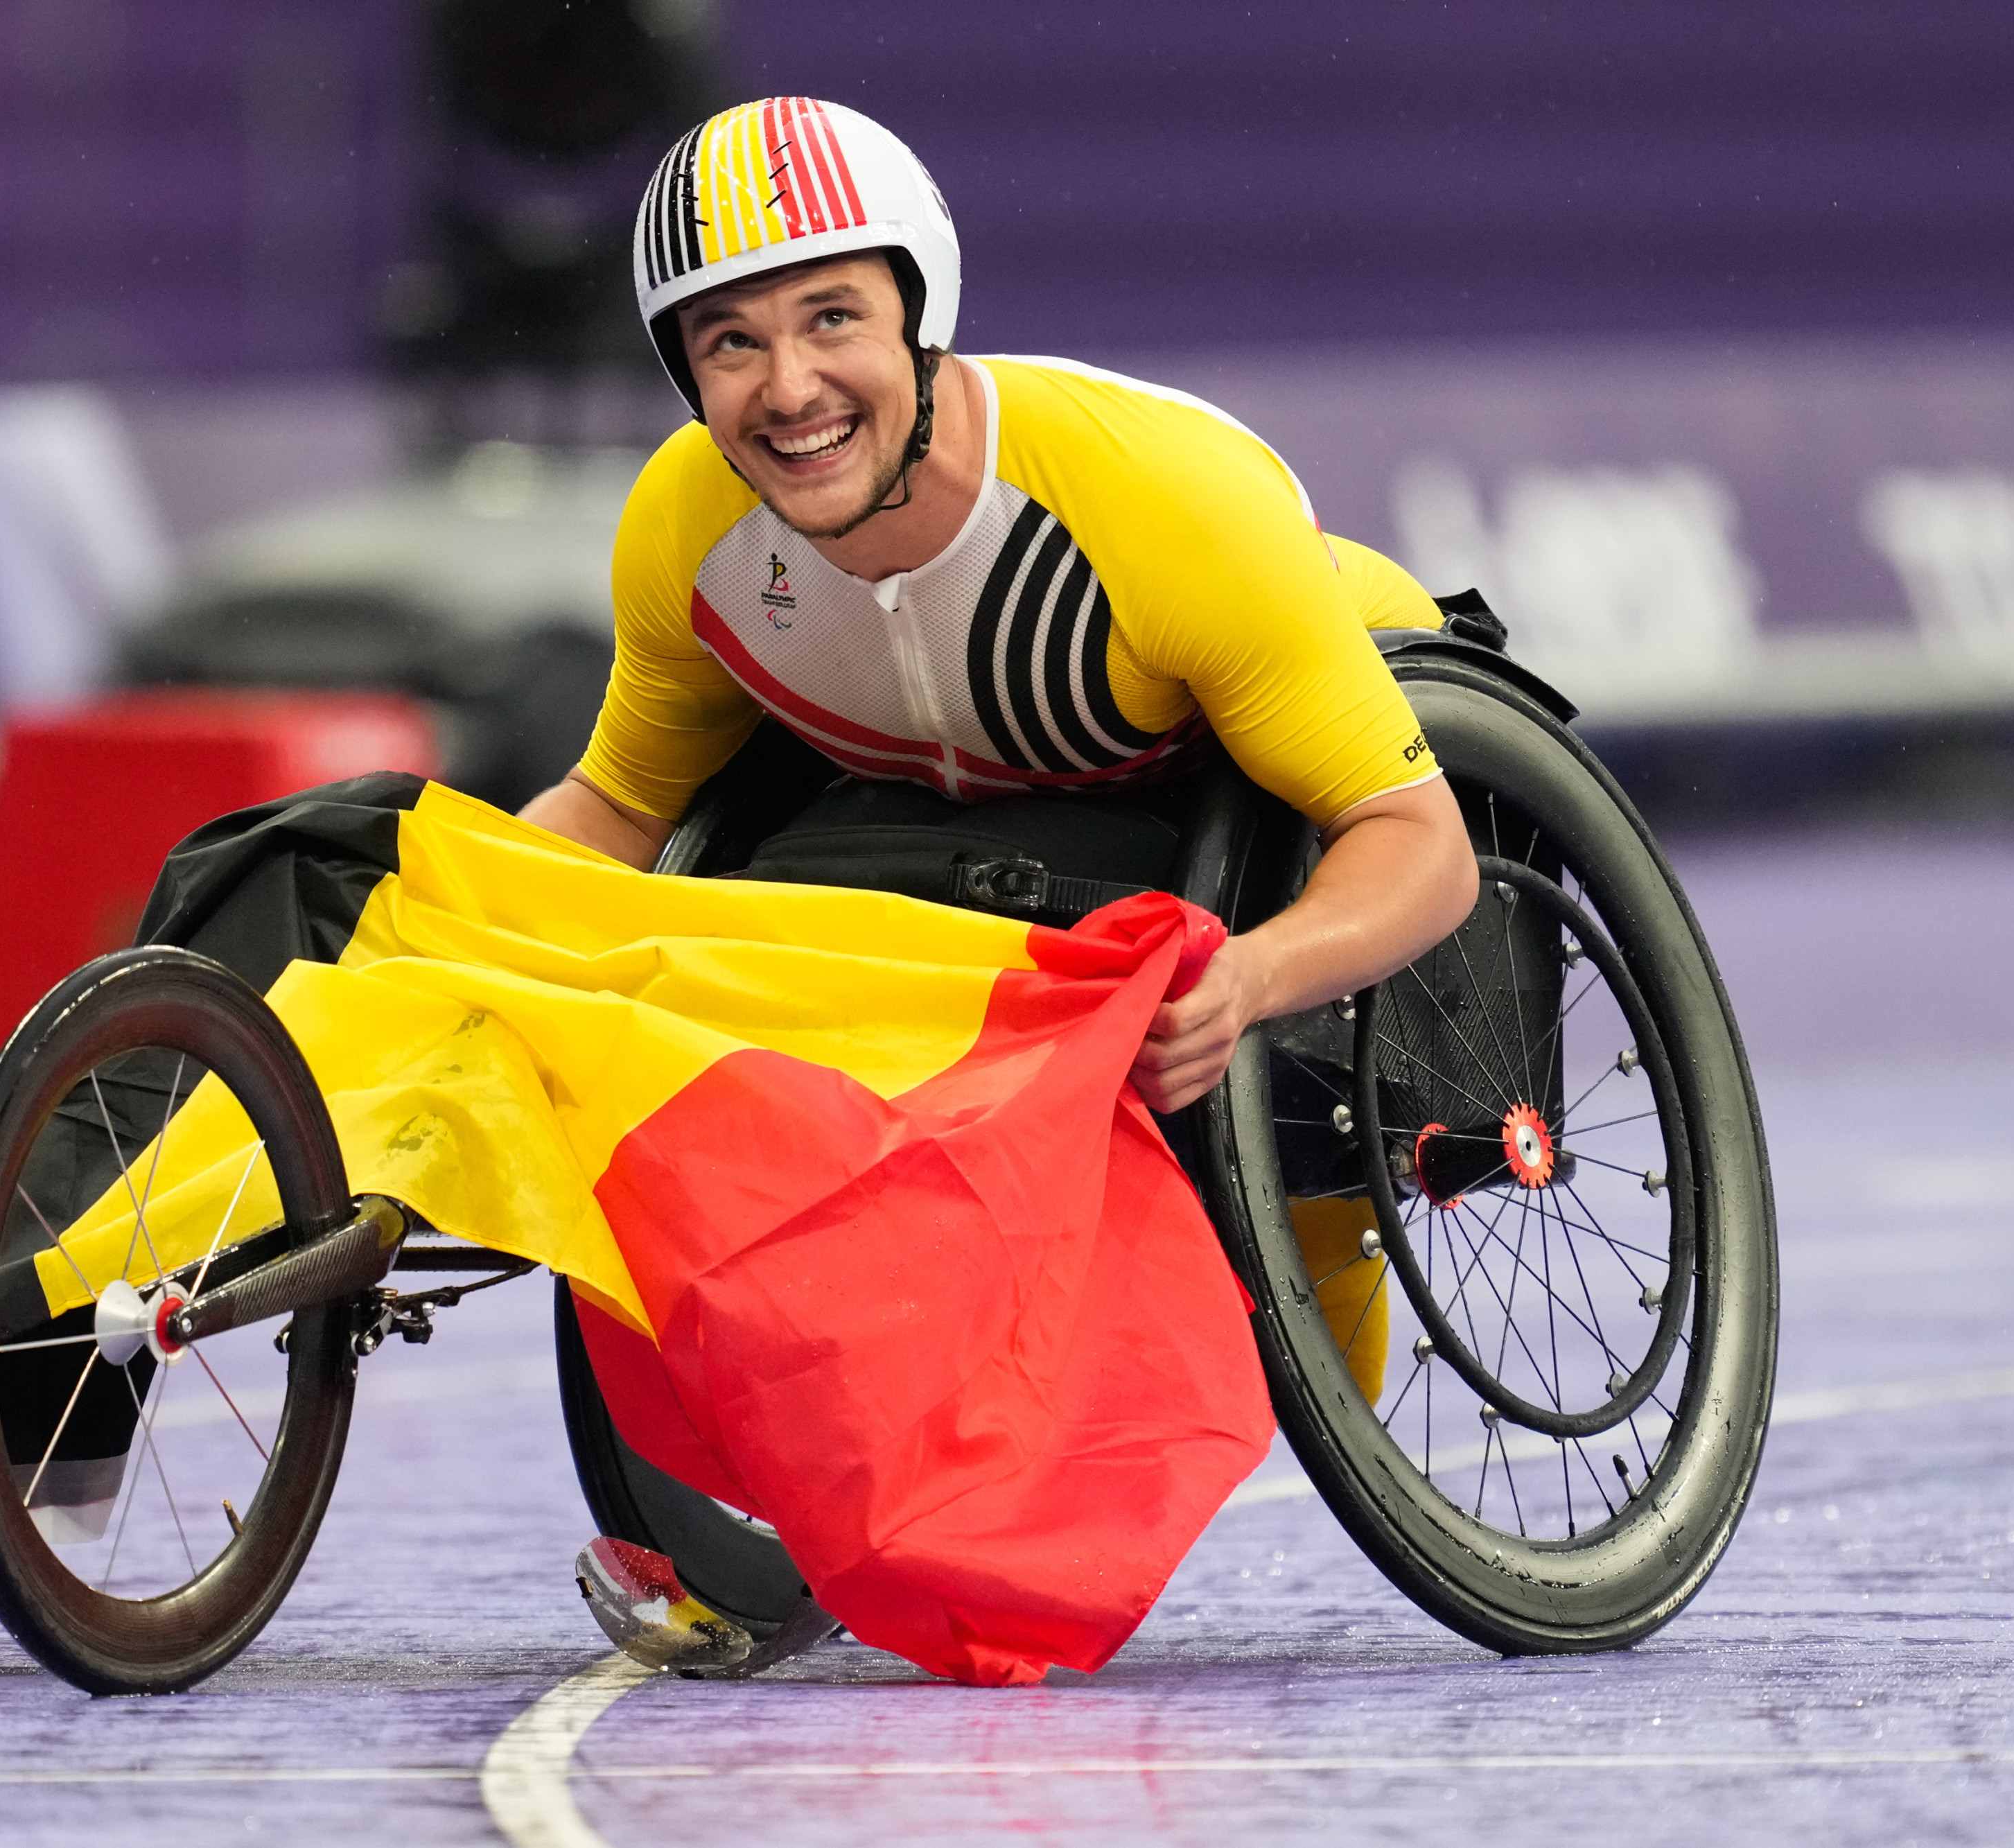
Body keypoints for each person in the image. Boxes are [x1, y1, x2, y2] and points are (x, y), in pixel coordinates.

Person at [518, 96, 1480, 1674]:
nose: (788, 387)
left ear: (920, 311)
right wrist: (433, 904)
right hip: (993, 852)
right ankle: (772, 1512)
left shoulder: (1155, 506)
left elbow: (1418, 842)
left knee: (1281, 1276)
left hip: (1279, 787)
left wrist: (1251, 975)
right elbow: (617, 812)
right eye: (729, 343)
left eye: (831, 318)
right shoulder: (685, 530)